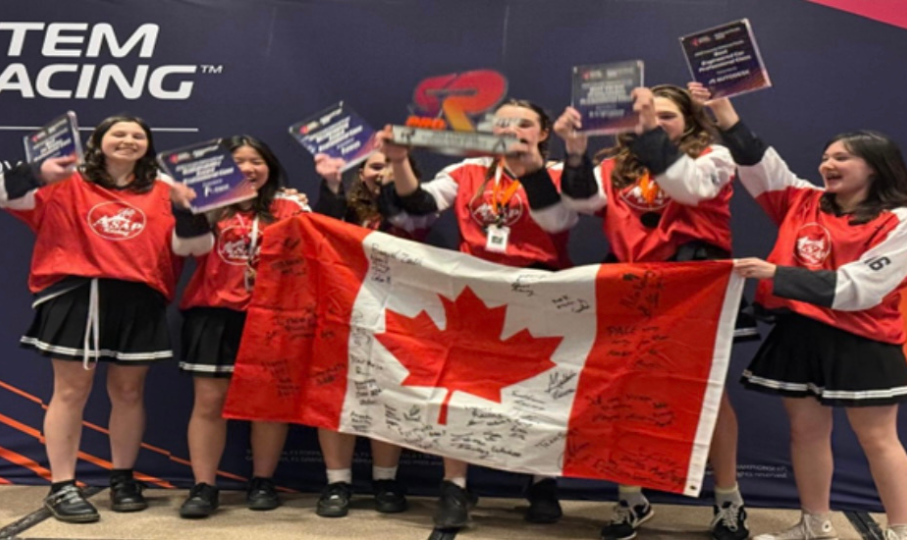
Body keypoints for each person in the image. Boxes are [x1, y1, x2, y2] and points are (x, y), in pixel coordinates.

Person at [698, 83, 907, 540]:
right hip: (802, 331)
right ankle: (814, 526)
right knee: (806, 435)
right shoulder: (803, 198)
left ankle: (900, 530)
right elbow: (758, 163)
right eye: (826, 156)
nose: (827, 164)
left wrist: (775, 272)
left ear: (876, 167)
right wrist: (723, 111)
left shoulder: (900, 220)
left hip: (864, 338)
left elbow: (861, 289)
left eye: (842, 158)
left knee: (878, 440)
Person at [551, 84, 755, 540]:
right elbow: (582, 204)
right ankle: (631, 497)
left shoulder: (715, 157)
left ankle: (728, 500)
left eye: (667, 116)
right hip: (631, 283)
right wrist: (576, 149)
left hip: (693, 284)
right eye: (649, 115)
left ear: (689, 120)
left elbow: (688, 186)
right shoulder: (614, 167)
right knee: (623, 391)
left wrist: (648, 133)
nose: (658, 122)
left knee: (708, 395)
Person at [376, 98, 579, 529]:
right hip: (476, 291)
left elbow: (559, 222)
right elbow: (419, 205)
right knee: (461, 390)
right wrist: (398, 162)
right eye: (503, 123)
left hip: (538, 289)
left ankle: (542, 481)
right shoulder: (467, 170)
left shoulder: (562, 174)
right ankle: (455, 486)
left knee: (539, 390)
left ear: (543, 132)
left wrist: (531, 167)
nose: (512, 130)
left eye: (524, 124)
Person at [0, 114, 196, 523]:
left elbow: (192, 247)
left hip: (139, 297)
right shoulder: (63, 181)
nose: (129, 140)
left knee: (130, 393)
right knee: (71, 390)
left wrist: (190, 211)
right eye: (118, 133)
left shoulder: (166, 189)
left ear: (147, 148)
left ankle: (122, 478)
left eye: (138, 135)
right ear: (98, 143)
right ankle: (62, 486)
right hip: (77, 294)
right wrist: (36, 172)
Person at [173, 136, 309, 518]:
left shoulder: (291, 204)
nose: (248, 169)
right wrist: (190, 211)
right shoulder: (207, 207)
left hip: (271, 316)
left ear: (270, 166)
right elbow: (187, 249)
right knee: (209, 403)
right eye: (238, 162)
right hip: (214, 314)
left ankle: (262, 481)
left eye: (256, 161)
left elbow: (314, 246)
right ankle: (204, 486)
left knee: (266, 405)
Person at [306, 150, 430, 517]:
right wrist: (331, 184)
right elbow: (322, 228)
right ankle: (337, 482)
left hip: (399, 316)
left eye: (392, 166)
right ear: (361, 173)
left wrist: (394, 188)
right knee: (336, 396)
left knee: (388, 395)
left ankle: (385, 480)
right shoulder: (345, 209)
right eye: (377, 166)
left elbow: (411, 225)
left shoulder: (419, 208)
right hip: (342, 313)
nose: (384, 172)